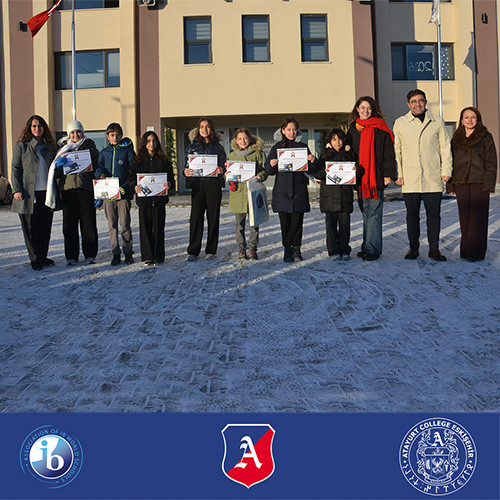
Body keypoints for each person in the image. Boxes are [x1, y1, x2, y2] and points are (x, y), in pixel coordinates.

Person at [393, 89, 452, 261]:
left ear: (425, 102)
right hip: (410, 178)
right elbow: (397, 151)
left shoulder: (437, 121)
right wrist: (399, 173)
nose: (417, 104)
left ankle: (434, 249)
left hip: (432, 177)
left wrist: (446, 170)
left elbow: (445, 147)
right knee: (412, 216)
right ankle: (413, 248)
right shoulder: (400, 123)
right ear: (408, 104)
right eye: (413, 101)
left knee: (433, 216)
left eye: (420, 100)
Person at [347, 96, 397, 261]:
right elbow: (348, 153)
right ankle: (367, 246)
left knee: (374, 213)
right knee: (366, 213)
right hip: (361, 179)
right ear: (357, 109)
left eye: (369, 108)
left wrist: (389, 174)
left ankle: (373, 249)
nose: (365, 111)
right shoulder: (352, 129)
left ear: (373, 110)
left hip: (376, 177)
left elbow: (389, 153)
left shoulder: (381, 128)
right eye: (362, 107)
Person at [447, 107, 497, 261]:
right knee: (465, 218)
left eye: (473, 117)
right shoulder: (456, 138)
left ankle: (476, 252)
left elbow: (491, 161)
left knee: (478, 218)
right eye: (466, 117)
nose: (469, 120)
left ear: (478, 119)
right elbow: (450, 162)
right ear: (461, 121)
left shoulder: (486, 137)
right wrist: (450, 185)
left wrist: (489, 184)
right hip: (461, 182)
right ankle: (465, 250)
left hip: (479, 182)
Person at [265, 117, 317, 263]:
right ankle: (287, 249)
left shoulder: (303, 147)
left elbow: (311, 169)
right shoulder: (276, 148)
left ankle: (297, 249)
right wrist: (272, 164)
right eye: (288, 129)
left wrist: (313, 160)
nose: (291, 132)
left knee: (297, 222)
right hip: (282, 192)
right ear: (283, 130)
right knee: (285, 223)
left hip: (299, 190)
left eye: (294, 129)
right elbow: (269, 171)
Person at [47, 120, 99, 266]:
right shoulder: (63, 150)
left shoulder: (91, 149)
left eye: (78, 132)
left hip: (86, 189)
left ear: (83, 132)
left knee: (88, 223)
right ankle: (71, 256)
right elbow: (55, 173)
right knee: (69, 225)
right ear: (68, 134)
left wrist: (99, 192)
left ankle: (90, 254)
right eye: (73, 132)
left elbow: (97, 170)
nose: (76, 135)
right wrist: (57, 167)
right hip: (68, 191)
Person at [11, 115, 57, 270]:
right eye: (34, 126)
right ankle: (35, 258)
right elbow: (15, 169)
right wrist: (17, 189)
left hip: (46, 193)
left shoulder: (50, 147)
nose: (37, 129)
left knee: (45, 227)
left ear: (44, 128)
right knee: (31, 229)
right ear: (29, 128)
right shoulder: (22, 147)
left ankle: (43, 256)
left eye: (40, 126)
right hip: (28, 194)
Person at [128, 131, 175, 266]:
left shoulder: (164, 161)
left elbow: (171, 179)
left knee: (159, 229)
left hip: (159, 201)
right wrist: (134, 187)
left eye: (154, 141)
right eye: (148, 141)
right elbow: (131, 179)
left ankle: (159, 256)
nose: (151, 144)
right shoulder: (137, 161)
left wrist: (169, 184)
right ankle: (148, 256)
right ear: (144, 143)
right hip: (145, 201)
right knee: (145, 229)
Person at [183, 117, 226, 261]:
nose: (204, 129)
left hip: (213, 186)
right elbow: (186, 167)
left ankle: (211, 250)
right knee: (195, 218)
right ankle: (193, 250)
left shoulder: (218, 148)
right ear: (198, 129)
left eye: (207, 126)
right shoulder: (191, 147)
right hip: (198, 186)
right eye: (201, 127)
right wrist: (185, 172)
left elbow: (224, 166)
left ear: (212, 129)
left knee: (213, 218)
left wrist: (221, 169)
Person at [314, 129, 357, 260]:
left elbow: (357, 173)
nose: (337, 142)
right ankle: (333, 251)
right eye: (334, 139)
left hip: (345, 196)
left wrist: (356, 171)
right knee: (331, 227)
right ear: (330, 141)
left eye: (340, 139)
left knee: (345, 226)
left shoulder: (350, 154)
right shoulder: (324, 155)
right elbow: (317, 174)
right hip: (329, 197)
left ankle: (344, 250)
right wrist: (326, 171)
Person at [95, 123, 135, 266]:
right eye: (112, 135)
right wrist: (100, 175)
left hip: (123, 194)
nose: (115, 137)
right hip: (108, 194)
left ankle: (128, 252)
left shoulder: (127, 152)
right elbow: (99, 167)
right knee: (112, 224)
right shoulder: (104, 152)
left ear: (121, 135)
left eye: (117, 135)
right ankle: (115, 252)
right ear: (107, 136)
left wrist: (125, 187)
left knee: (125, 224)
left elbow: (132, 172)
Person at [227, 128, 267, 260]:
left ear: (250, 139)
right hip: (238, 194)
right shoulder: (231, 156)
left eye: (245, 138)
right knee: (239, 224)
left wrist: (260, 176)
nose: (243, 141)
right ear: (236, 141)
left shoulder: (257, 154)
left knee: (254, 223)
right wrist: (227, 176)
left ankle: (253, 248)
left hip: (253, 193)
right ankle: (241, 248)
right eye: (240, 139)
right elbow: (228, 174)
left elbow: (264, 170)